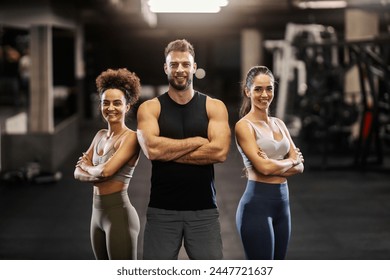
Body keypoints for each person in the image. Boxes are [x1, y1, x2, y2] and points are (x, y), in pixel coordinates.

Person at [136, 39, 231, 260]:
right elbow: (151, 149)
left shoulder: (214, 107)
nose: (180, 70)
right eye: (175, 64)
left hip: (204, 211)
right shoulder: (150, 108)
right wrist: (198, 140)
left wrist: (167, 152)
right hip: (162, 211)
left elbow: (219, 152)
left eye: (186, 64)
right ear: (166, 67)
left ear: (194, 67)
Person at [235, 66, 304, 260]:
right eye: (258, 89)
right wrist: (290, 160)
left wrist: (278, 164)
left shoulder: (280, 123)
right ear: (247, 91)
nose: (264, 94)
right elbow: (264, 167)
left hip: (283, 206)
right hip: (256, 207)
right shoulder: (244, 126)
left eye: (269, 88)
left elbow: (301, 166)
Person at [74, 68, 141, 260]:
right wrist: (90, 171)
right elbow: (75, 173)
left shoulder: (131, 138)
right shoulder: (100, 136)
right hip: (96, 215)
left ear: (127, 106)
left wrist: (87, 167)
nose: (110, 108)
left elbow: (105, 172)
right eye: (106, 103)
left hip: (119, 215)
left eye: (117, 103)